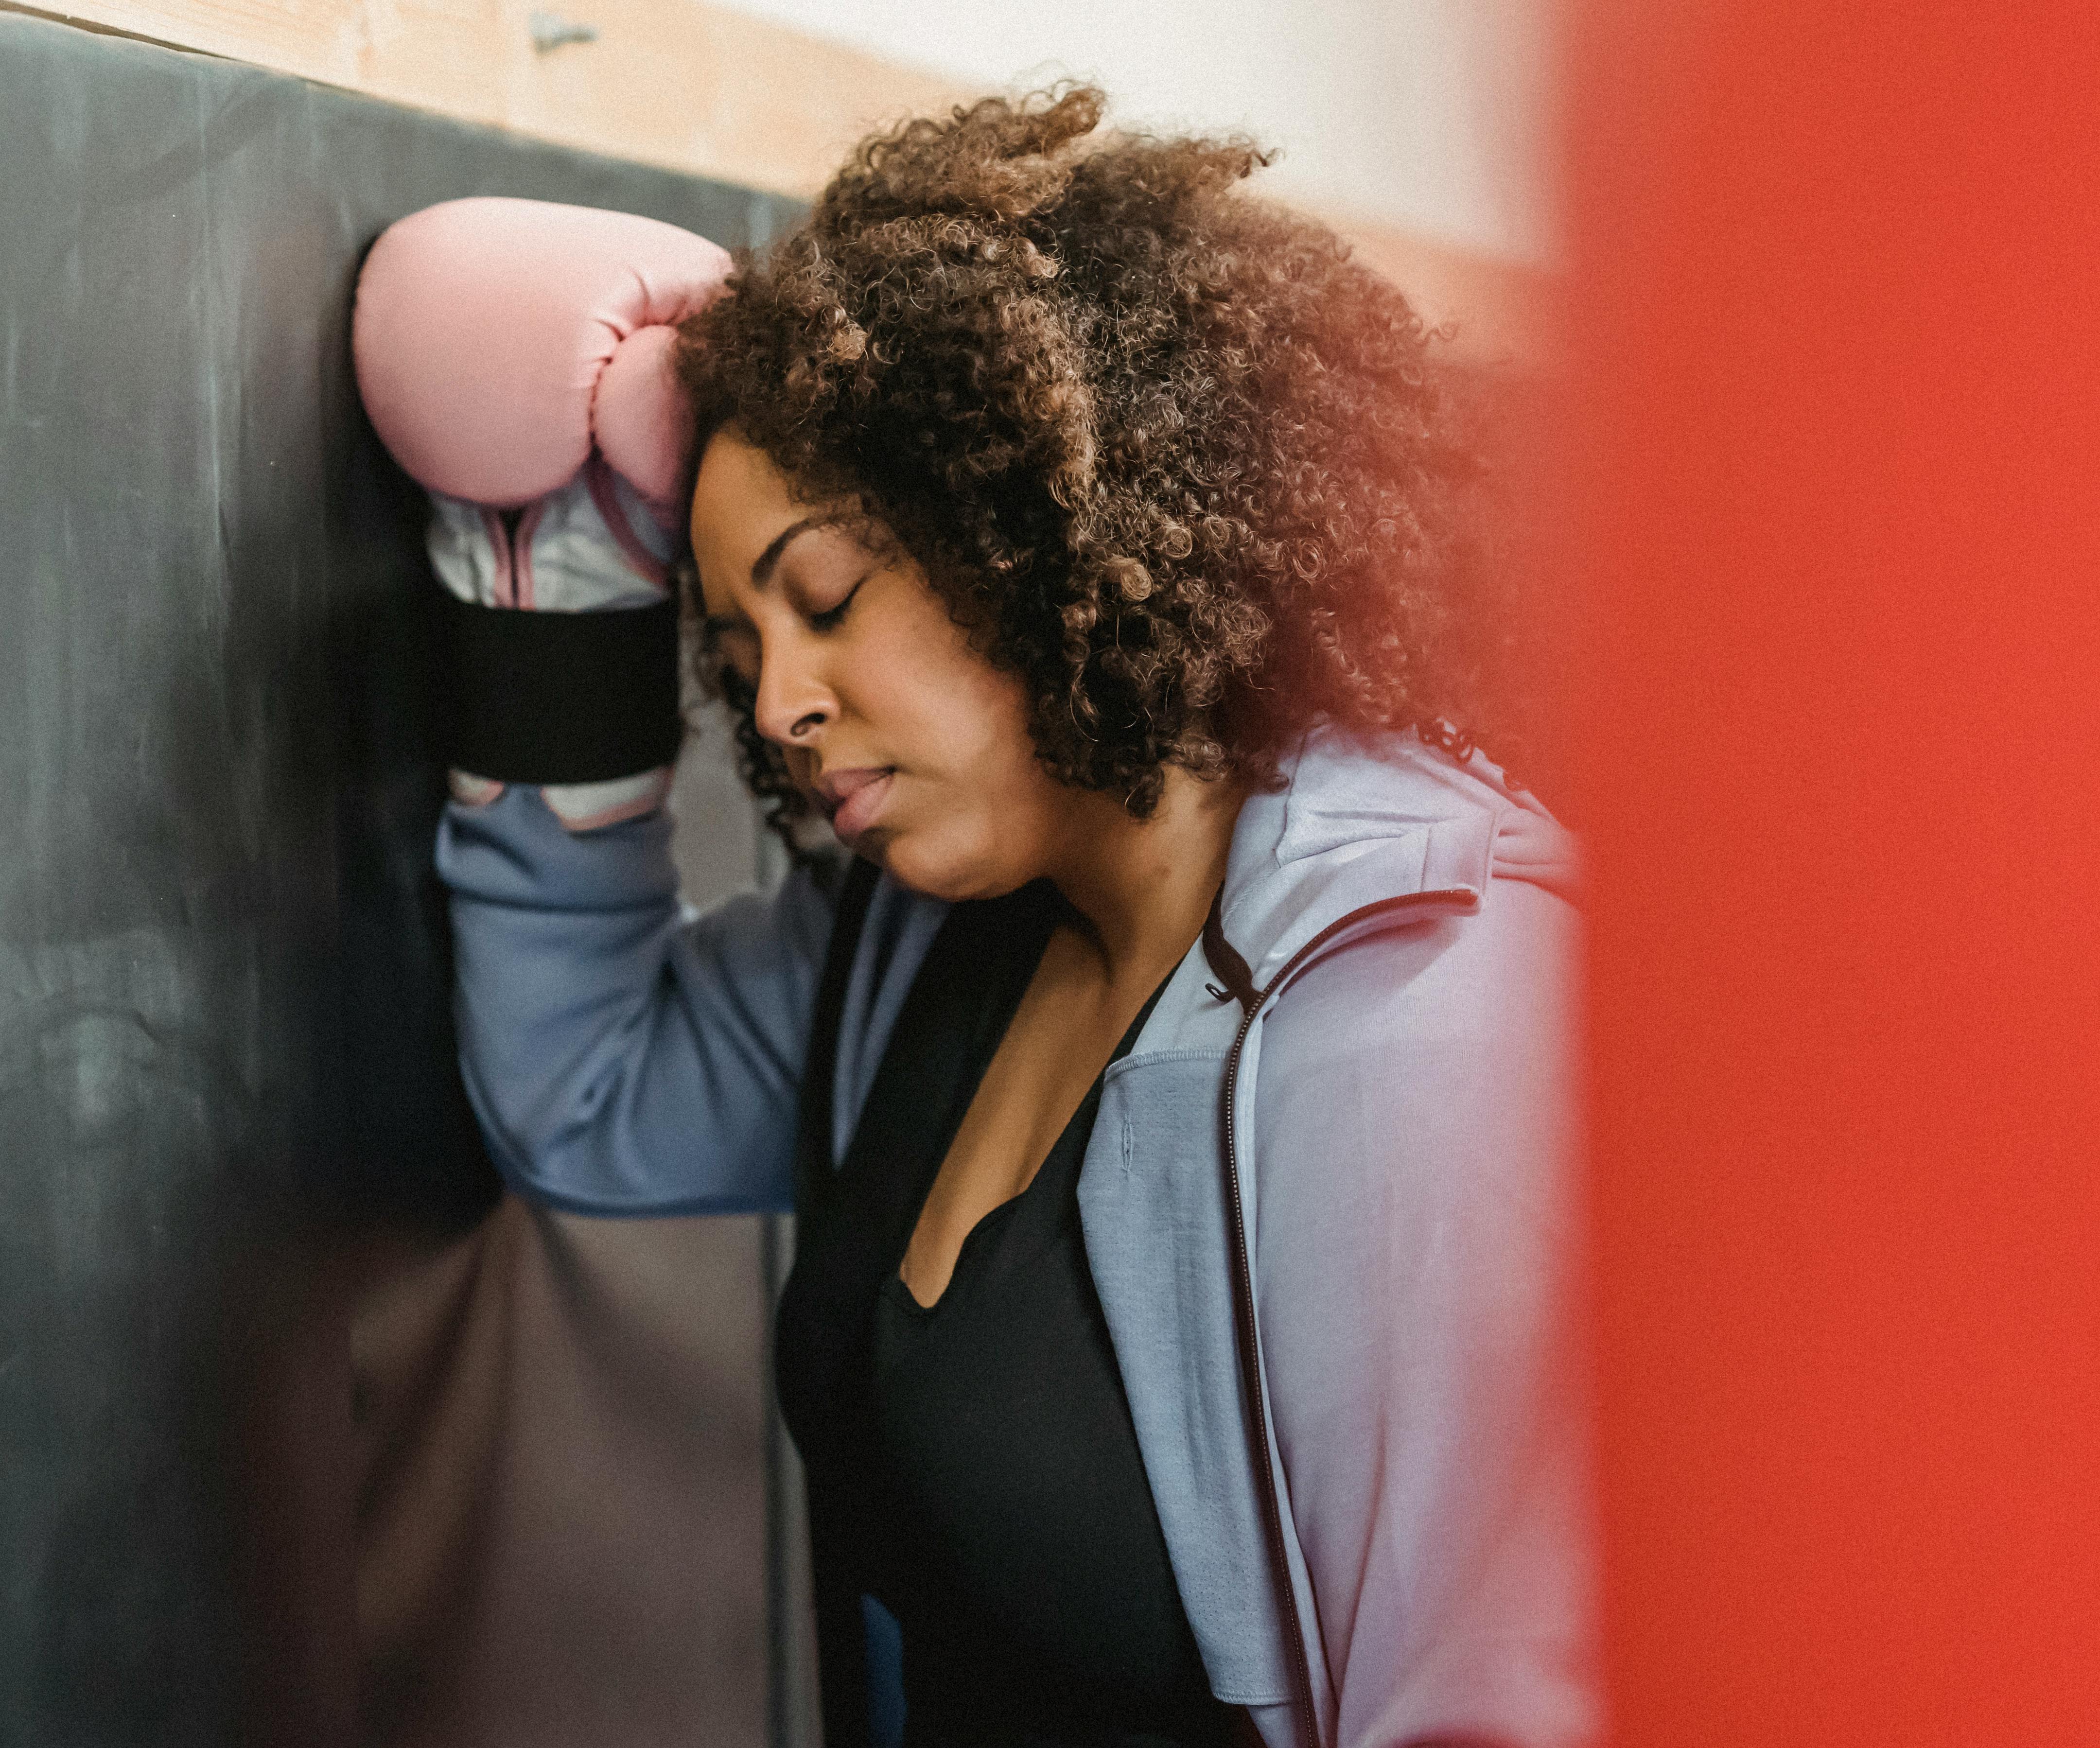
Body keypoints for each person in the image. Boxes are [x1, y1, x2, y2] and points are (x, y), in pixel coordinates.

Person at [352, 87, 1590, 1748]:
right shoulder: (930, 931)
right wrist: (565, 565)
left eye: (826, 597)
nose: (780, 706)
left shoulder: (1414, 1005)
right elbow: (590, 1093)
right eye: (732, 655)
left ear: (1026, 508)